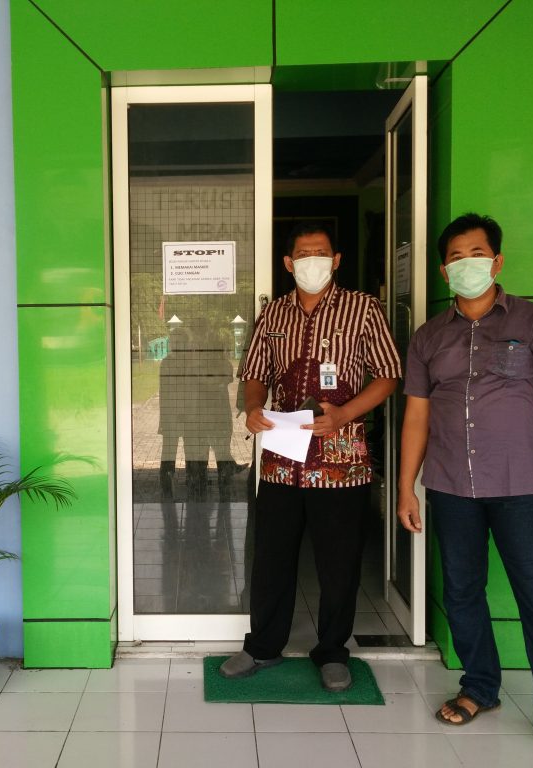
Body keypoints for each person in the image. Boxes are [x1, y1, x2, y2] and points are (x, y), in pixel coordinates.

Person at [397, 213, 533, 768]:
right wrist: (405, 487)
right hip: (449, 484)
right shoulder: (428, 337)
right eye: (456, 257)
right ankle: (480, 686)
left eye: (477, 253)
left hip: (518, 487)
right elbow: (416, 416)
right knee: (462, 592)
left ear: (497, 261)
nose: (467, 264)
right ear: (444, 270)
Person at [219, 221, 401, 691]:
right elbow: (255, 372)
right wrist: (254, 407)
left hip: (342, 458)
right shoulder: (273, 314)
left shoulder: (364, 309)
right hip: (283, 456)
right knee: (271, 556)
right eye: (303, 254)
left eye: (321, 252)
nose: (312, 261)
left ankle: (332, 651)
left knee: (339, 562)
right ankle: (263, 645)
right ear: (289, 263)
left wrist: (345, 414)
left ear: (336, 260)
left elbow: (388, 374)